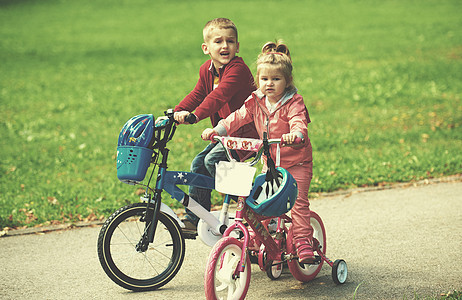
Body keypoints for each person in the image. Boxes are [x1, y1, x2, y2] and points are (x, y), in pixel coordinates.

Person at [201, 41, 315, 263]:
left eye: (275, 79)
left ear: (287, 80)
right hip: (270, 162)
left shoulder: (294, 102)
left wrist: (296, 134)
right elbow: (238, 116)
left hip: (296, 163)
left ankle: (303, 242)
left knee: (299, 203)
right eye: (264, 79)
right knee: (261, 201)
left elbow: (298, 122)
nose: (269, 84)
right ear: (258, 80)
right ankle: (256, 237)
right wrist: (217, 130)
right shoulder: (256, 100)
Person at [173, 18, 258, 234]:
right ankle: (195, 218)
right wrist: (175, 113)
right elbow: (198, 94)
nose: (225, 46)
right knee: (198, 164)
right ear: (206, 48)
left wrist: (194, 116)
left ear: (237, 46)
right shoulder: (207, 70)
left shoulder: (237, 69)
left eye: (230, 41)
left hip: (246, 135)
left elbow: (218, 97)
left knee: (213, 161)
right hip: (226, 136)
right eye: (218, 41)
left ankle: (252, 209)